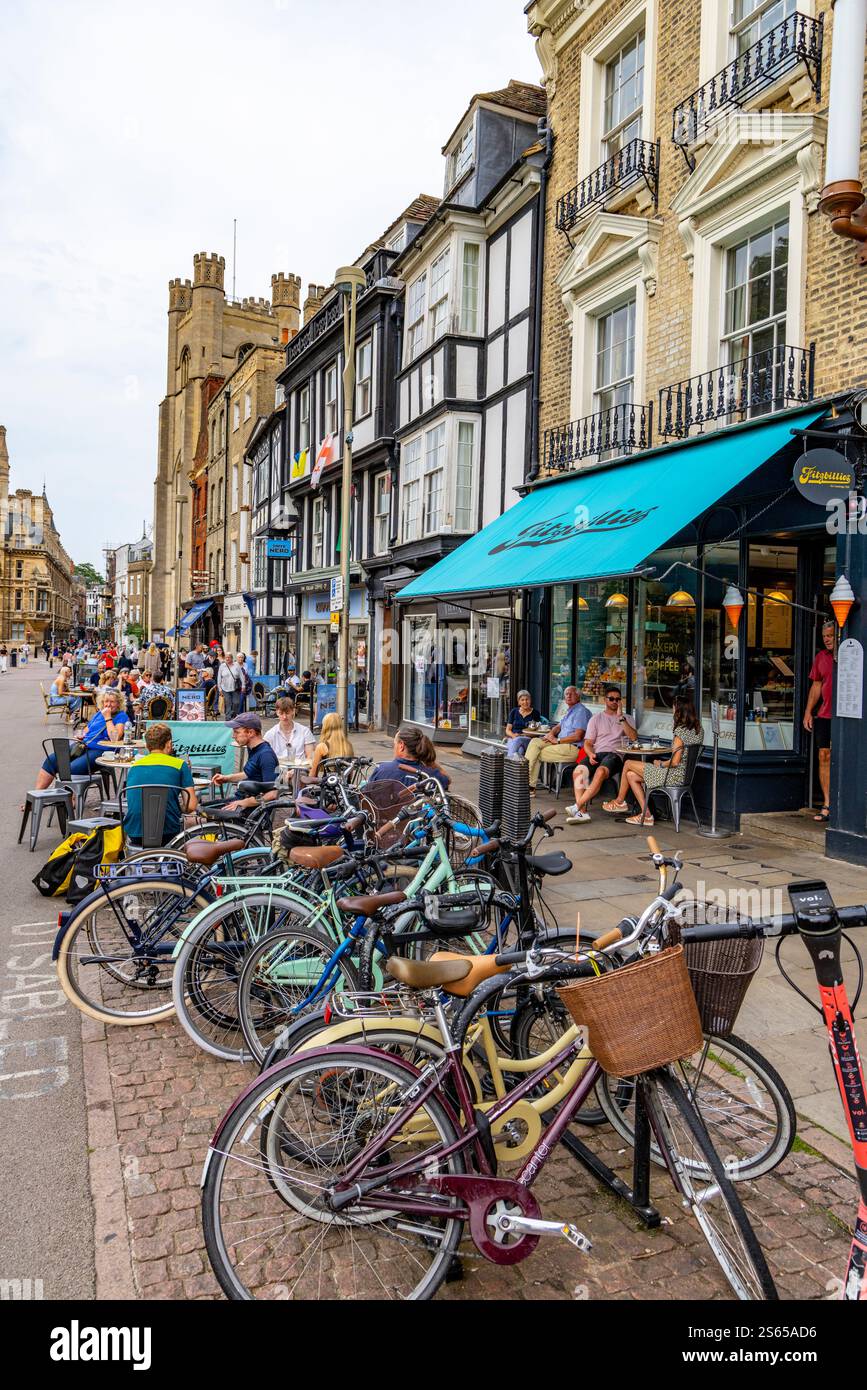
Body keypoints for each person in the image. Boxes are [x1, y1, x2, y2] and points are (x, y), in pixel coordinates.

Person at [604, 695, 703, 826]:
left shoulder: (680, 731)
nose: (672, 711)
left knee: (628, 763)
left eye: (673, 708)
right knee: (631, 775)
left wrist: (660, 764)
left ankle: (620, 801)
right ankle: (647, 815)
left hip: (672, 776)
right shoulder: (699, 729)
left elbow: (675, 762)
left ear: (679, 711)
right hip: (685, 776)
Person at [33, 689, 129, 792]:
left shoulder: (121, 716)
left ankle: (69, 800)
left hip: (102, 751)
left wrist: (108, 718)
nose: (108, 704)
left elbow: (115, 738)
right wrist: (81, 735)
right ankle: (38, 795)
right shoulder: (99, 713)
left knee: (72, 769)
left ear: (119, 703)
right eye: (106, 701)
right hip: (83, 746)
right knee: (51, 760)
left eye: (112, 701)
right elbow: (86, 730)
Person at [567, 686, 636, 824]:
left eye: (617, 699)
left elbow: (634, 738)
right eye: (611, 699)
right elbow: (587, 742)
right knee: (578, 771)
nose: (614, 701)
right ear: (605, 700)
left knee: (600, 771)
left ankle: (577, 806)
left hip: (615, 755)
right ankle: (583, 812)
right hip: (597, 753)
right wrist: (590, 754)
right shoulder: (596, 718)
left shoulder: (627, 718)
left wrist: (621, 718)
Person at [122, 724, 197, 846]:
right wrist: (179, 809)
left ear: (146, 746)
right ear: (169, 744)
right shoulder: (179, 765)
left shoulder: (134, 766)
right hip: (168, 832)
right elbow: (192, 806)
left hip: (135, 832)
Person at [524, 687, 591, 794]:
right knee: (535, 742)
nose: (568, 696)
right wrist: (551, 734)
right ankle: (528, 785)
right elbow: (558, 727)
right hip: (560, 744)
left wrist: (558, 740)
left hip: (572, 747)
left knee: (535, 752)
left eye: (572, 694)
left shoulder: (581, 711)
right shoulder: (570, 710)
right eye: (566, 694)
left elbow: (578, 736)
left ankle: (525, 783)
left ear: (578, 696)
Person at [211, 713, 279, 811]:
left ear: (250, 733)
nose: (233, 736)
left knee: (200, 817)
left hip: (251, 810)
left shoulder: (265, 755)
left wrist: (244, 802)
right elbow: (250, 773)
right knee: (202, 810)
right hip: (243, 800)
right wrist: (226, 778)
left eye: (237, 732)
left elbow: (272, 794)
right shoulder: (254, 748)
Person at [804, 618, 836, 823]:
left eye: (831, 636)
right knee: (823, 755)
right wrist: (808, 711)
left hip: (847, 716)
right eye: (824, 636)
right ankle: (827, 804)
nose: (827, 640)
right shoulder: (821, 657)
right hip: (825, 714)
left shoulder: (850, 653)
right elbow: (816, 685)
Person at [367, 726, 451, 789]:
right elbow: (447, 780)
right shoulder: (432, 775)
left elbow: (366, 796)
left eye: (395, 744)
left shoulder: (382, 770)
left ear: (401, 746)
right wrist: (430, 762)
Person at [263, 696, 317, 764]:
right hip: (278, 771)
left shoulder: (305, 731)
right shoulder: (270, 734)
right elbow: (265, 759)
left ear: (293, 711)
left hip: (300, 770)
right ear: (277, 712)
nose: (284, 717)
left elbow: (310, 757)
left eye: (287, 713)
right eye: (281, 713)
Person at [309, 712, 354, 778]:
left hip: (328, 786)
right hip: (346, 787)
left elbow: (312, 776)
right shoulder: (348, 745)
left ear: (325, 726)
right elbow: (350, 775)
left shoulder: (322, 747)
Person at [505, 690, 543, 757]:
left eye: (527, 699)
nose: (525, 702)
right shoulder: (514, 711)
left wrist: (522, 736)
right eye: (522, 700)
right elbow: (508, 730)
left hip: (527, 739)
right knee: (520, 750)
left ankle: (508, 762)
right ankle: (515, 766)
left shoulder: (535, 713)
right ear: (519, 702)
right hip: (513, 738)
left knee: (518, 740)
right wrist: (514, 736)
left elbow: (536, 732)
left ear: (530, 700)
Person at [218, 653, 242, 719]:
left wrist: (244, 686)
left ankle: (233, 715)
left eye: (229, 657)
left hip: (235, 688)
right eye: (226, 657)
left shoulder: (236, 665)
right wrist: (219, 688)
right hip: (225, 688)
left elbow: (241, 676)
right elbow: (219, 678)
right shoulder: (222, 666)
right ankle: (228, 718)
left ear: (232, 658)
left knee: (236, 703)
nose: (227, 659)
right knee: (228, 703)